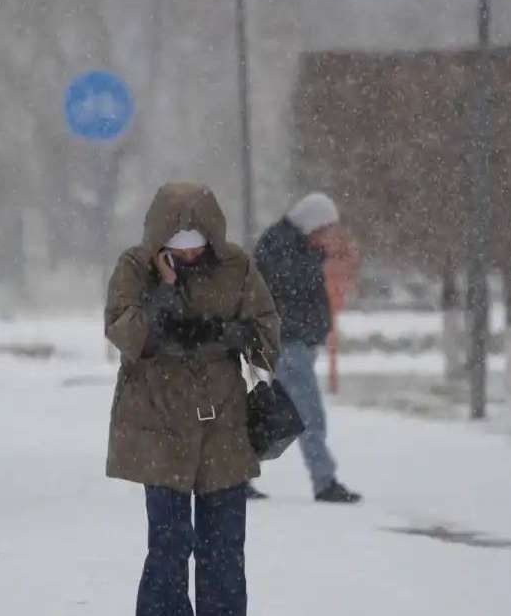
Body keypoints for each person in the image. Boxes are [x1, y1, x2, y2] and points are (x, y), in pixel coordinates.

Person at [105, 182, 280, 616]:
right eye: (177, 250)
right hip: (159, 425)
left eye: (196, 248)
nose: (187, 258)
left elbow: (267, 335)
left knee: (223, 549)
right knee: (168, 545)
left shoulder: (237, 266)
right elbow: (125, 333)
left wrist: (229, 335)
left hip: (222, 424)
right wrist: (164, 292)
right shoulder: (134, 267)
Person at [250, 192, 363, 504]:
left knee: (275, 416)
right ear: (314, 225)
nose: (330, 236)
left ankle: (236, 477)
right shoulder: (286, 248)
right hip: (287, 345)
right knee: (308, 415)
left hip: (287, 343)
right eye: (327, 229)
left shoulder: (291, 245)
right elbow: (289, 292)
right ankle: (324, 482)